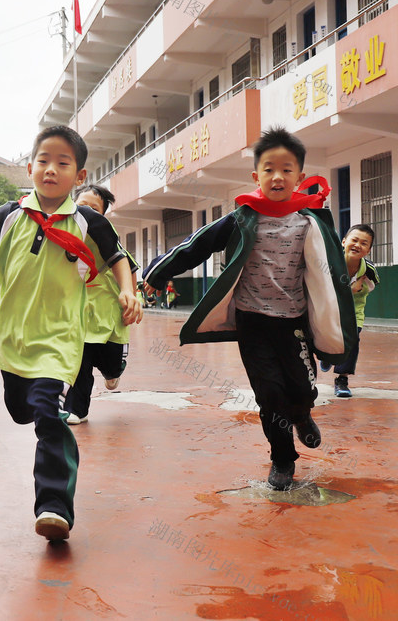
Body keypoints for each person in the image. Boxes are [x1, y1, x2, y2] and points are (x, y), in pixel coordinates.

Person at [0, 125, 140, 541]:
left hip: (60, 341)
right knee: (21, 408)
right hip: (13, 337)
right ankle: (30, 411)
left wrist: (128, 291)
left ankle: (54, 506)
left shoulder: (87, 221)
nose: (51, 170)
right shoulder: (7, 216)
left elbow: (118, 258)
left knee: (49, 415)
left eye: (62, 163)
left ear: (80, 174)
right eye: (43, 161)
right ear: (30, 166)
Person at [143, 126, 356, 491]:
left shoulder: (312, 221)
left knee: (302, 387)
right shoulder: (244, 217)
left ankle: (303, 413)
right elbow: (197, 245)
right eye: (269, 169)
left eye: (287, 169)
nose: (278, 176)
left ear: (300, 177)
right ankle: (283, 460)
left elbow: (333, 267)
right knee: (269, 393)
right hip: (253, 321)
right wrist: (159, 273)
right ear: (256, 176)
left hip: (294, 321)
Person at [63, 184, 137, 425]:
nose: (86, 212)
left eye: (94, 208)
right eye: (81, 206)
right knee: (79, 364)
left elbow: (129, 266)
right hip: (78, 313)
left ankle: (114, 371)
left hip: (108, 313)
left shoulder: (107, 236)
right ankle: (77, 409)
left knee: (111, 362)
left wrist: (131, 297)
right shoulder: (64, 233)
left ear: (103, 215)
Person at [321, 225, 379, 398]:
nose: (357, 245)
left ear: (368, 250)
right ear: (344, 242)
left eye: (364, 243)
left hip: (354, 312)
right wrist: (349, 290)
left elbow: (372, 286)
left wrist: (360, 289)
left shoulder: (368, 269)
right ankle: (328, 355)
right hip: (329, 309)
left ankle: (342, 380)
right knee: (324, 337)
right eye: (354, 240)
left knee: (352, 340)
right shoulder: (329, 261)